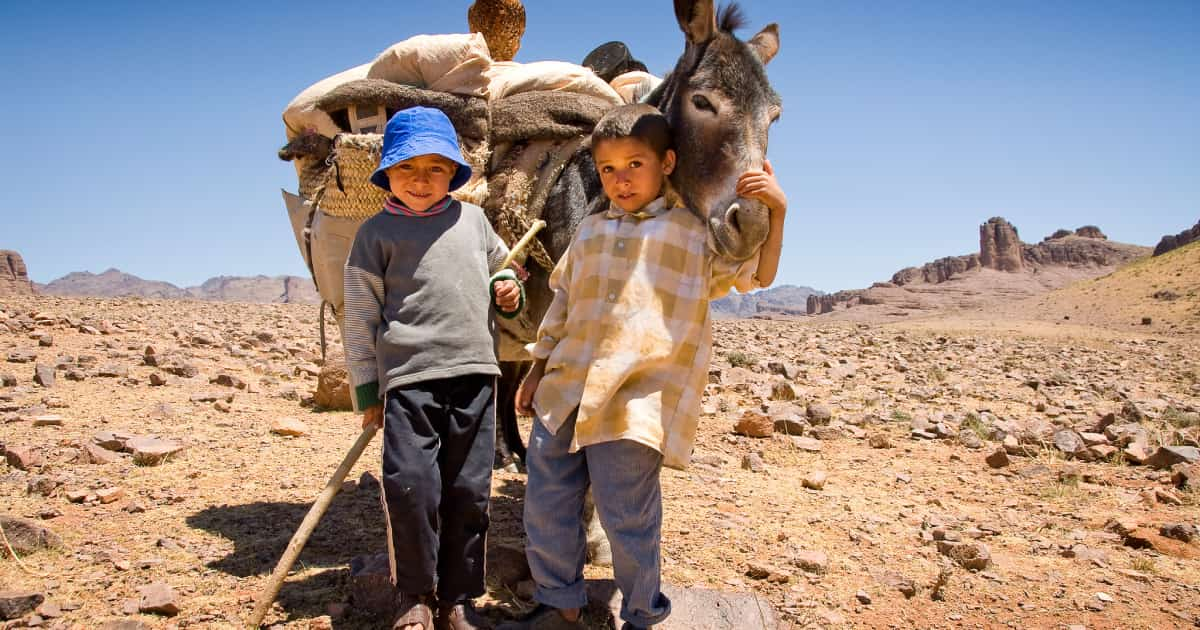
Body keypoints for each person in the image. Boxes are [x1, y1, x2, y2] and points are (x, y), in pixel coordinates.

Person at [502, 103, 787, 630]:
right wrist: (538, 369)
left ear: (669, 163)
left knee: (626, 516)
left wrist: (779, 212)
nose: (621, 179)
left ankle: (641, 613)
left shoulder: (694, 233)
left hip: (637, 402)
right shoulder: (588, 231)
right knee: (546, 502)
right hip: (567, 388)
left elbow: (757, 275)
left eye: (635, 164)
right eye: (608, 169)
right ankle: (558, 603)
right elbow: (561, 305)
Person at [343, 106, 523, 630]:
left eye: (435, 168)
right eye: (407, 169)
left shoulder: (474, 220)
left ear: (453, 173)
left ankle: (458, 598)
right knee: (411, 486)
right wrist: (367, 390)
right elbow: (360, 318)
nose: (420, 181)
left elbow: (503, 271)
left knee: (468, 490)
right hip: (410, 381)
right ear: (387, 173)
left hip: (474, 375)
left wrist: (508, 289)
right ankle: (415, 596)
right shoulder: (374, 234)